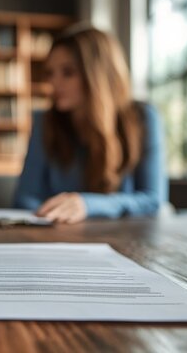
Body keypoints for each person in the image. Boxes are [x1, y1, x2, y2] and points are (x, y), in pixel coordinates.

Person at [14, 24, 167, 223]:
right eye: (50, 73)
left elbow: (153, 200)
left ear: (98, 75)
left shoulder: (142, 118)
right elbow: (25, 198)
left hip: (125, 240)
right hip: (60, 237)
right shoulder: (45, 121)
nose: (54, 84)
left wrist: (87, 205)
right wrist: (49, 215)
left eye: (68, 72)